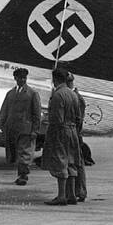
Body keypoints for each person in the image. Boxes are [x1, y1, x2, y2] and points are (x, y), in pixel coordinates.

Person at [44, 68, 82, 206]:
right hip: (72, 131)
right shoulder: (73, 95)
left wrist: (51, 134)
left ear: (55, 79)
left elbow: (57, 119)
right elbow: (79, 117)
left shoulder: (58, 95)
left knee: (60, 162)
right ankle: (71, 195)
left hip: (61, 131)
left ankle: (61, 196)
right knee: (71, 162)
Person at [0, 67, 41, 185]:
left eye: (24, 78)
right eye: (20, 78)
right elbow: (4, 110)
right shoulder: (10, 94)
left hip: (26, 129)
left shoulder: (32, 94)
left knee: (24, 153)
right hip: (12, 128)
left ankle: (23, 176)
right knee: (15, 153)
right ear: (15, 78)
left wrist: (35, 131)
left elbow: (37, 113)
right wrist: (0, 125)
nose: (23, 80)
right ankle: (20, 174)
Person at [66, 72, 88, 202]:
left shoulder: (76, 98)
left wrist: (75, 134)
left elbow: (78, 120)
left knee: (77, 163)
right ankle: (78, 191)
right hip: (75, 133)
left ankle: (80, 191)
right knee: (76, 163)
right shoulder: (75, 96)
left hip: (75, 134)